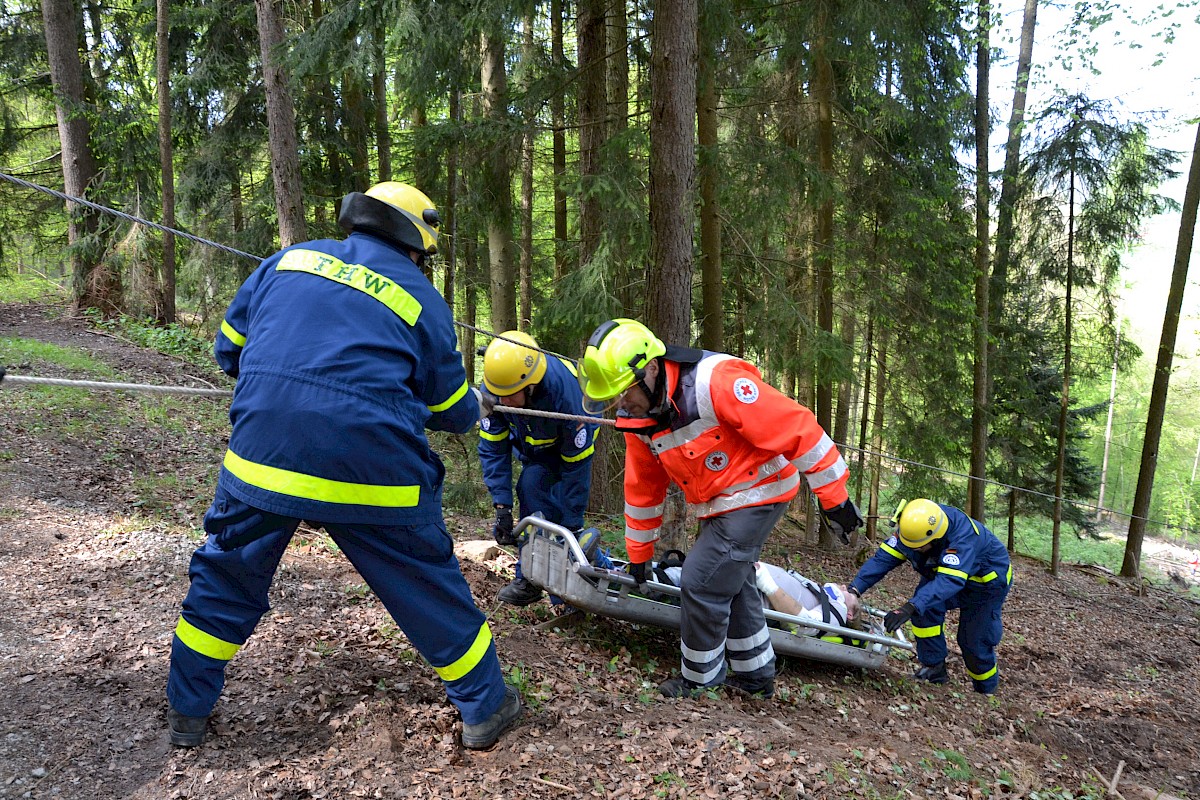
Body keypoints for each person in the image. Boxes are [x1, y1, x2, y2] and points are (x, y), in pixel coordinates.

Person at [165, 181, 521, 751]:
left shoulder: (289, 260)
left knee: (224, 579)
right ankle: (486, 708)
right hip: (373, 477)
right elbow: (453, 413)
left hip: (263, 462)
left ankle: (187, 711)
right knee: (426, 586)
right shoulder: (419, 297)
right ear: (414, 245)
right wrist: (476, 404)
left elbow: (228, 349)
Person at [578, 318, 863, 700]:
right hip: (720, 502)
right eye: (614, 398)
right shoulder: (639, 418)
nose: (622, 404)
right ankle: (755, 675)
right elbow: (643, 489)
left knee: (700, 581)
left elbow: (798, 428)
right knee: (734, 582)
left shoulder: (717, 382)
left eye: (624, 393)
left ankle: (700, 679)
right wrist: (638, 554)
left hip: (763, 490)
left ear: (649, 368)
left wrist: (835, 500)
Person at [478, 331, 599, 605]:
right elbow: (493, 449)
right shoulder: (498, 388)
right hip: (535, 445)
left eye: (509, 397)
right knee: (531, 489)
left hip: (570, 443)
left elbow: (576, 469)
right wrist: (502, 507)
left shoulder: (566, 399)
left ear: (530, 386)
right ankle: (531, 579)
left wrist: (573, 525)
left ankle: (571, 582)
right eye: (499, 396)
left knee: (552, 505)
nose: (503, 402)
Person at [846, 498, 1012, 695]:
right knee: (925, 610)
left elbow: (950, 581)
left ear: (935, 539)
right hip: (945, 573)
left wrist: (910, 607)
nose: (913, 550)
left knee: (973, 640)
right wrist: (854, 590)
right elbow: (882, 560)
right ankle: (934, 669)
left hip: (985, 584)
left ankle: (986, 691)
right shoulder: (912, 527)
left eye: (919, 548)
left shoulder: (962, 538)